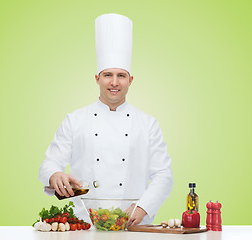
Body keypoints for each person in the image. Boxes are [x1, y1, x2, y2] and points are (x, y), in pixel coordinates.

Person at [39, 13, 173, 227]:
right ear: (97, 78)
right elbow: (49, 163)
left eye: (121, 76)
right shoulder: (75, 120)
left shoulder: (148, 124)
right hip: (83, 225)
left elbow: (164, 174)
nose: (114, 82)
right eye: (107, 75)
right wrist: (54, 174)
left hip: (133, 223)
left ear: (130, 80)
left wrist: (143, 206)